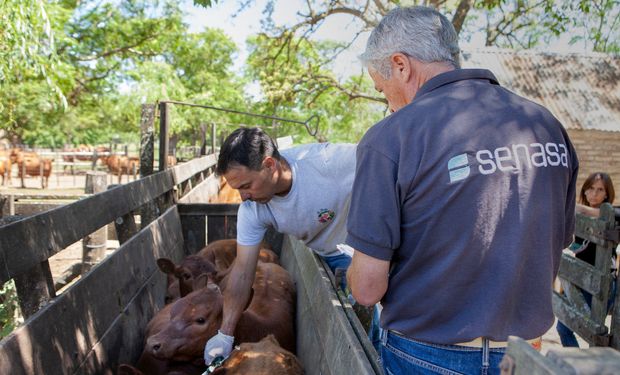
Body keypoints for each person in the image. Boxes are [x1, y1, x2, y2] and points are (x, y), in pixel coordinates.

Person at [344, 6, 578, 375]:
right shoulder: (545, 124)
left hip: (425, 355)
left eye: (381, 88)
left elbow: (367, 289)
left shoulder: (390, 137)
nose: (387, 103)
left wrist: (351, 274)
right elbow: (556, 240)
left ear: (401, 65)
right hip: (525, 355)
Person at [203, 127, 358, 365]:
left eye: (246, 185)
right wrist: (225, 333)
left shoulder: (330, 162)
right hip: (327, 254)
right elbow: (243, 271)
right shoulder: (252, 209)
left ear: (269, 165)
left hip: (366, 249)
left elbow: (386, 163)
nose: (243, 197)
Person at [556, 172, 616, 347]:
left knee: (593, 334)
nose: (594, 193)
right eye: (590, 188)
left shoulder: (612, 216)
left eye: (600, 190)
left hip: (601, 285)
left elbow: (604, 214)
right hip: (579, 281)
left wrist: (578, 208)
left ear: (607, 194)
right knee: (563, 327)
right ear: (585, 190)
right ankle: (580, 364)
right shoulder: (580, 218)